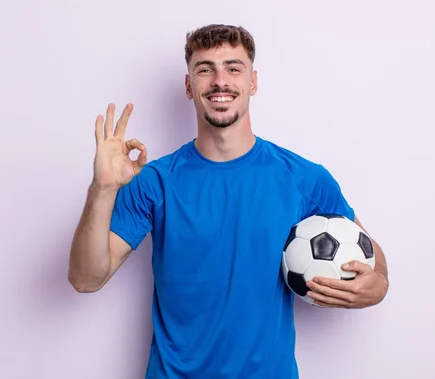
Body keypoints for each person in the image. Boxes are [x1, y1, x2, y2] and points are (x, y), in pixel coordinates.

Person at [68, 24, 389, 379]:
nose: (220, 81)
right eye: (205, 69)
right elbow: (86, 278)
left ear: (252, 82)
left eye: (234, 68)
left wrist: (379, 285)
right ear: (190, 86)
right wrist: (102, 188)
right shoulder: (155, 181)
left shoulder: (303, 178)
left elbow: (370, 255)